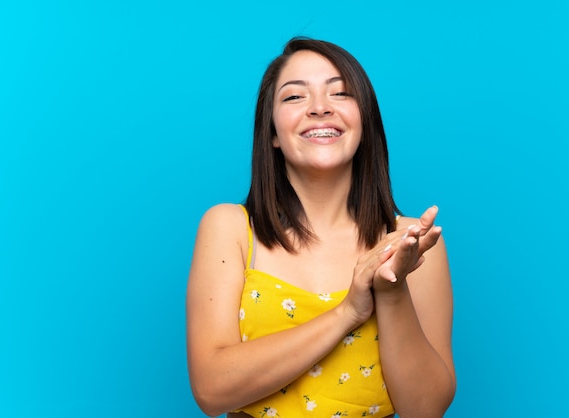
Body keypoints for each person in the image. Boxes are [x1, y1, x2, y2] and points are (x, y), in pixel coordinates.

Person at [186, 37, 455, 418]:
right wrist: (347, 312)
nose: (320, 108)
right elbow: (211, 391)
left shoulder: (413, 243)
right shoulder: (229, 228)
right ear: (273, 134)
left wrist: (390, 291)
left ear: (365, 121)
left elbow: (425, 410)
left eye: (340, 93)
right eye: (295, 97)